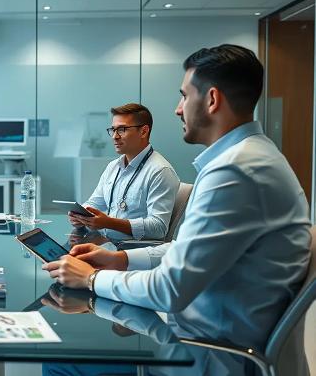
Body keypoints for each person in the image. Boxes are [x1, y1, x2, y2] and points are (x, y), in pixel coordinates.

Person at [43, 44, 312, 350]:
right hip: (203, 328)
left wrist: (91, 279)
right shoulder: (252, 159)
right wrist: (119, 258)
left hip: (209, 349)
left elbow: (169, 289)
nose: (178, 108)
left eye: (185, 95)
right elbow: (186, 250)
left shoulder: (235, 172)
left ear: (211, 99)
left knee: (64, 357)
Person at [70, 103, 180, 241]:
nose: (115, 136)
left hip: (134, 251)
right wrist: (81, 215)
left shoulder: (160, 171)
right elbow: (94, 203)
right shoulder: (113, 167)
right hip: (106, 243)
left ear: (144, 131)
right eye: (113, 130)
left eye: (122, 129)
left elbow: (158, 228)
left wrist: (109, 223)